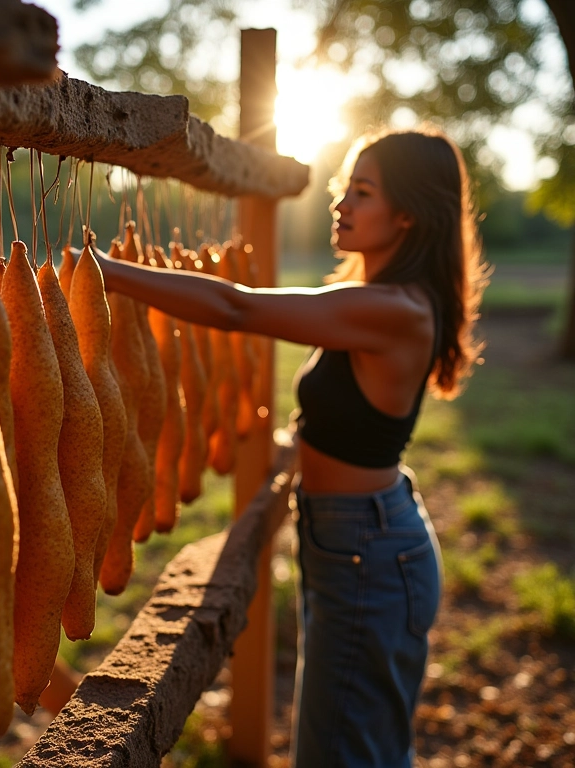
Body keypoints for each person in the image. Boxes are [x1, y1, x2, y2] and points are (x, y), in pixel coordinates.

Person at [90, 125, 488, 767]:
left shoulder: (397, 308)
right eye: (342, 188)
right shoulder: (387, 300)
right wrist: (293, 445)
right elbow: (346, 420)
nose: (341, 204)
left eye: (362, 192)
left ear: (408, 214)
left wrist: (108, 273)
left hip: (368, 551)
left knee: (343, 755)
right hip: (359, 542)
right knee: (366, 747)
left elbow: (239, 307)